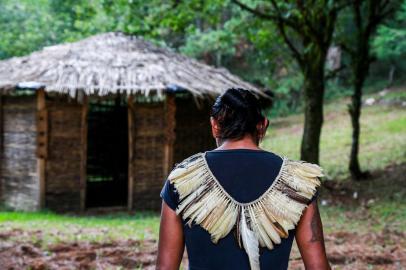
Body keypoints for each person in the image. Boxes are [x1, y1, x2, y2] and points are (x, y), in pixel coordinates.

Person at [156, 88, 331, 270]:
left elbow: (164, 268)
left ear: (215, 125)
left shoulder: (184, 179)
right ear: (262, 125)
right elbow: (317, 266)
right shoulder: (298, 182)